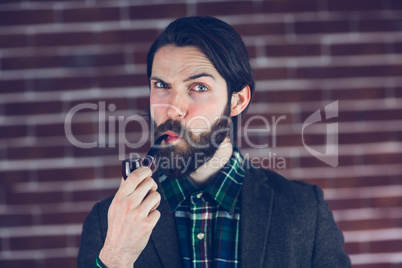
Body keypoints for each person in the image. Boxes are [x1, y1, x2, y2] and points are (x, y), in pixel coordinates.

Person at [77, 16, 351, 268]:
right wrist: (116, 257)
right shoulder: (107, 223)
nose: (173, 109)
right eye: (161, 85)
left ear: (237, 100)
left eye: (199, 87)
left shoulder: (305, 211)